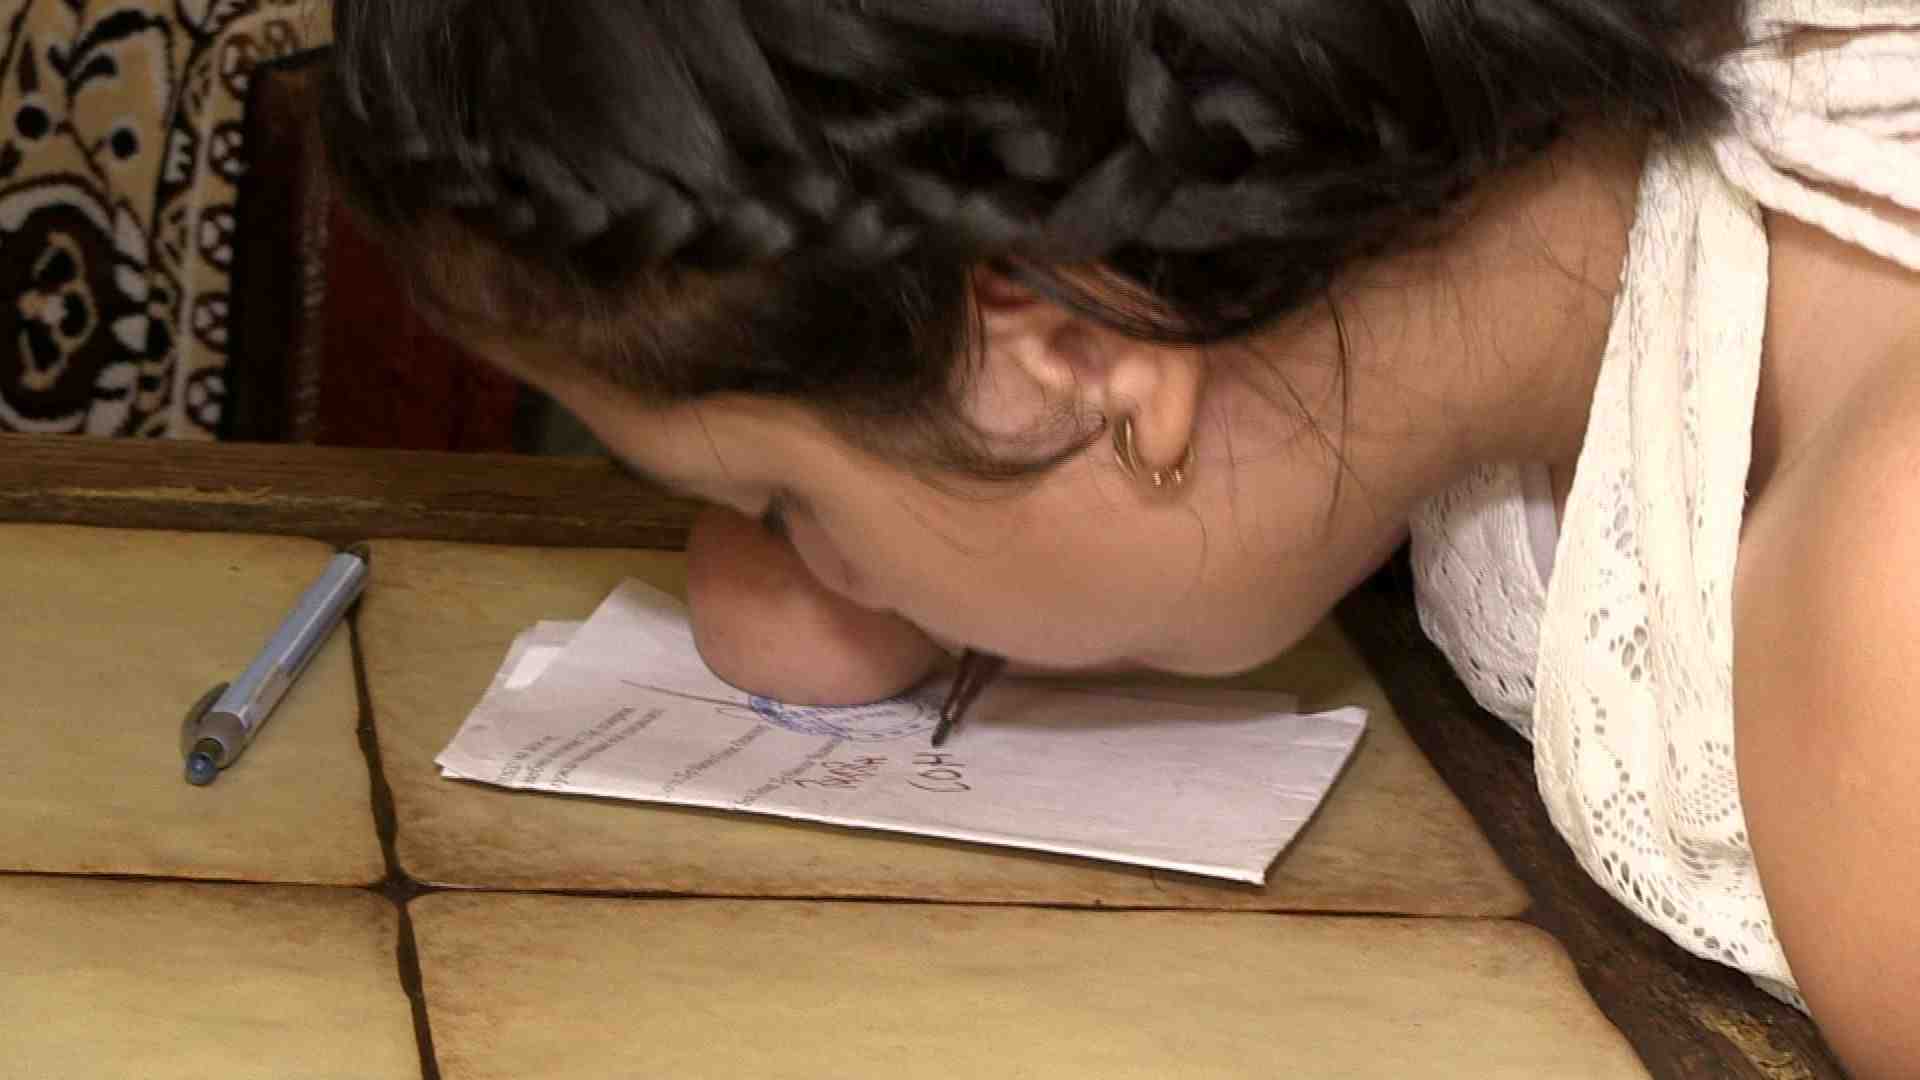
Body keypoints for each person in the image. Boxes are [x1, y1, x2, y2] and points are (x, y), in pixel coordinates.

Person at [320, 2, 1920, 1072]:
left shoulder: (1882, 615)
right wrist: (859, 556)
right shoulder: (1457, 252)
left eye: (787, 505)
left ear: (1072, 349)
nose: (796, 559)